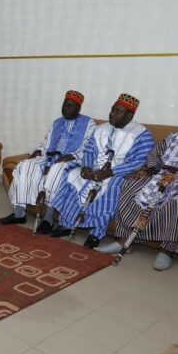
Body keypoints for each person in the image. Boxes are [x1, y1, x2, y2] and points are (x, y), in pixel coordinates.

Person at [51, 93, 154, 248]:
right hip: (95, 168)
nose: (112, 114)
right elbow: (89, 151)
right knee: (72, 174)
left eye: (118, 111)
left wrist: (110, 172)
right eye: (112, 110)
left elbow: (139, 162)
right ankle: (66, 223)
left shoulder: (142, 135)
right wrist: (86, 167)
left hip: (118, 172)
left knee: (112, 185)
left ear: (130, 115)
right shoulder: (101, 129)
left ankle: (96, 233)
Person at [0, 90, 96, 234]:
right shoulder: (57, 122)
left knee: (57, 170)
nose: (65, 108)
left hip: (73, 160)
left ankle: (48, 219)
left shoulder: (88, 123)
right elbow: (46, 141)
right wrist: (37, 151)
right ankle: (19, 213)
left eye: (70, 106)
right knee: (25, 165)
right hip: (50, 157)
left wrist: (69, 156)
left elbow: (89, 147)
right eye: (64, 104)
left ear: (78, 108)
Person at [97, 132, 178, 270]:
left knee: (174, 201)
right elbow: (154, 154)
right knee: (130, 186)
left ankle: (167, 250)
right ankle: (125, 241)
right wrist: (151, 168)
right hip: (161, 174)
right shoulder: (173, 136)